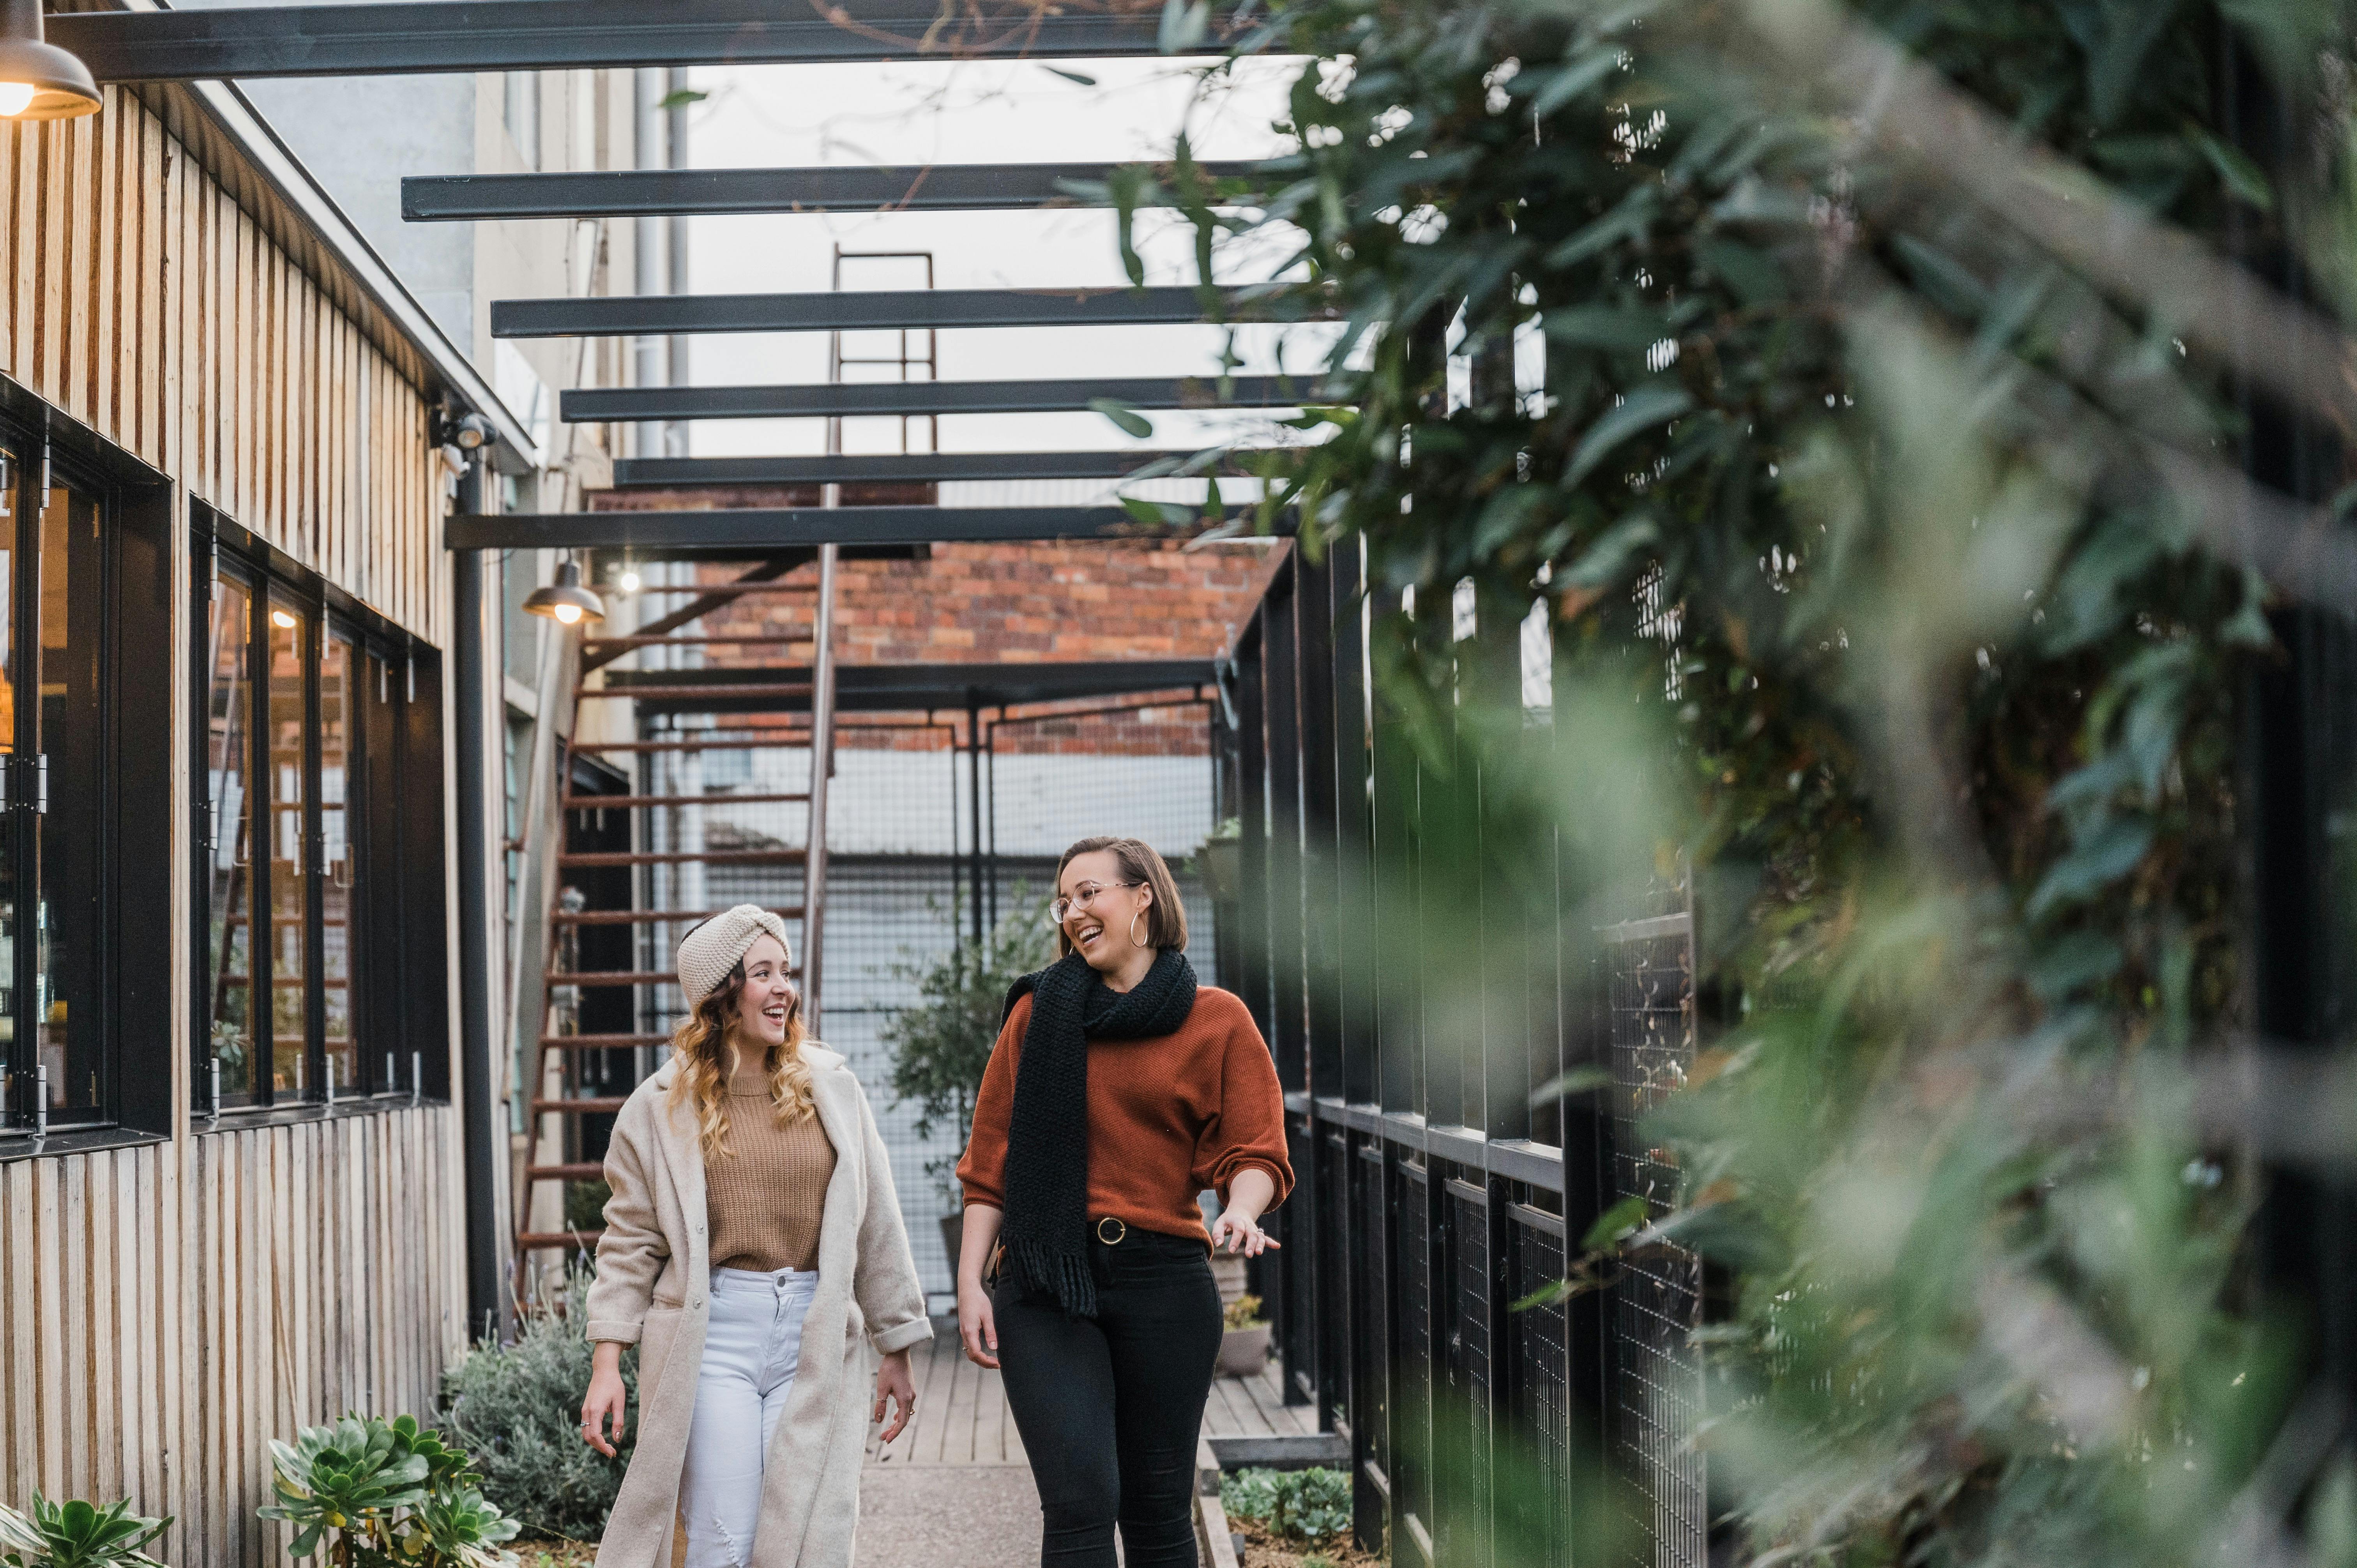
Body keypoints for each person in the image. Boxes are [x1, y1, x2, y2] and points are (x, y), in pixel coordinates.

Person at [957, 836, 1294, 1568]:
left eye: (1090, 892)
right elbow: (989, 1167)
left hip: (1164, 1283)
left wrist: (1239, 1206)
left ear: (1144, 896)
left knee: (1158, 1516)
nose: (1073, 909)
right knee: (1079, 1506)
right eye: (1065, 899)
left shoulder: (1216, 1019)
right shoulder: (1036, 1017)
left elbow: (1257, 1150)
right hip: (1045, 1285)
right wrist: (970, 1284)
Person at [578, 905, 930, 1568]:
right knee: (724, 1540)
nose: (783, 989)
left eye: (786, 972)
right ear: (721, 995)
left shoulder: (832, 1089)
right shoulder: (658, 1110)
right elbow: (630, 1243)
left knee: (805, 1539)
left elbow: (876, 1219)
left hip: (815, 1330)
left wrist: (899, 1343)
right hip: (713, 1339)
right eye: (762, 973)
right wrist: (607, 1364)